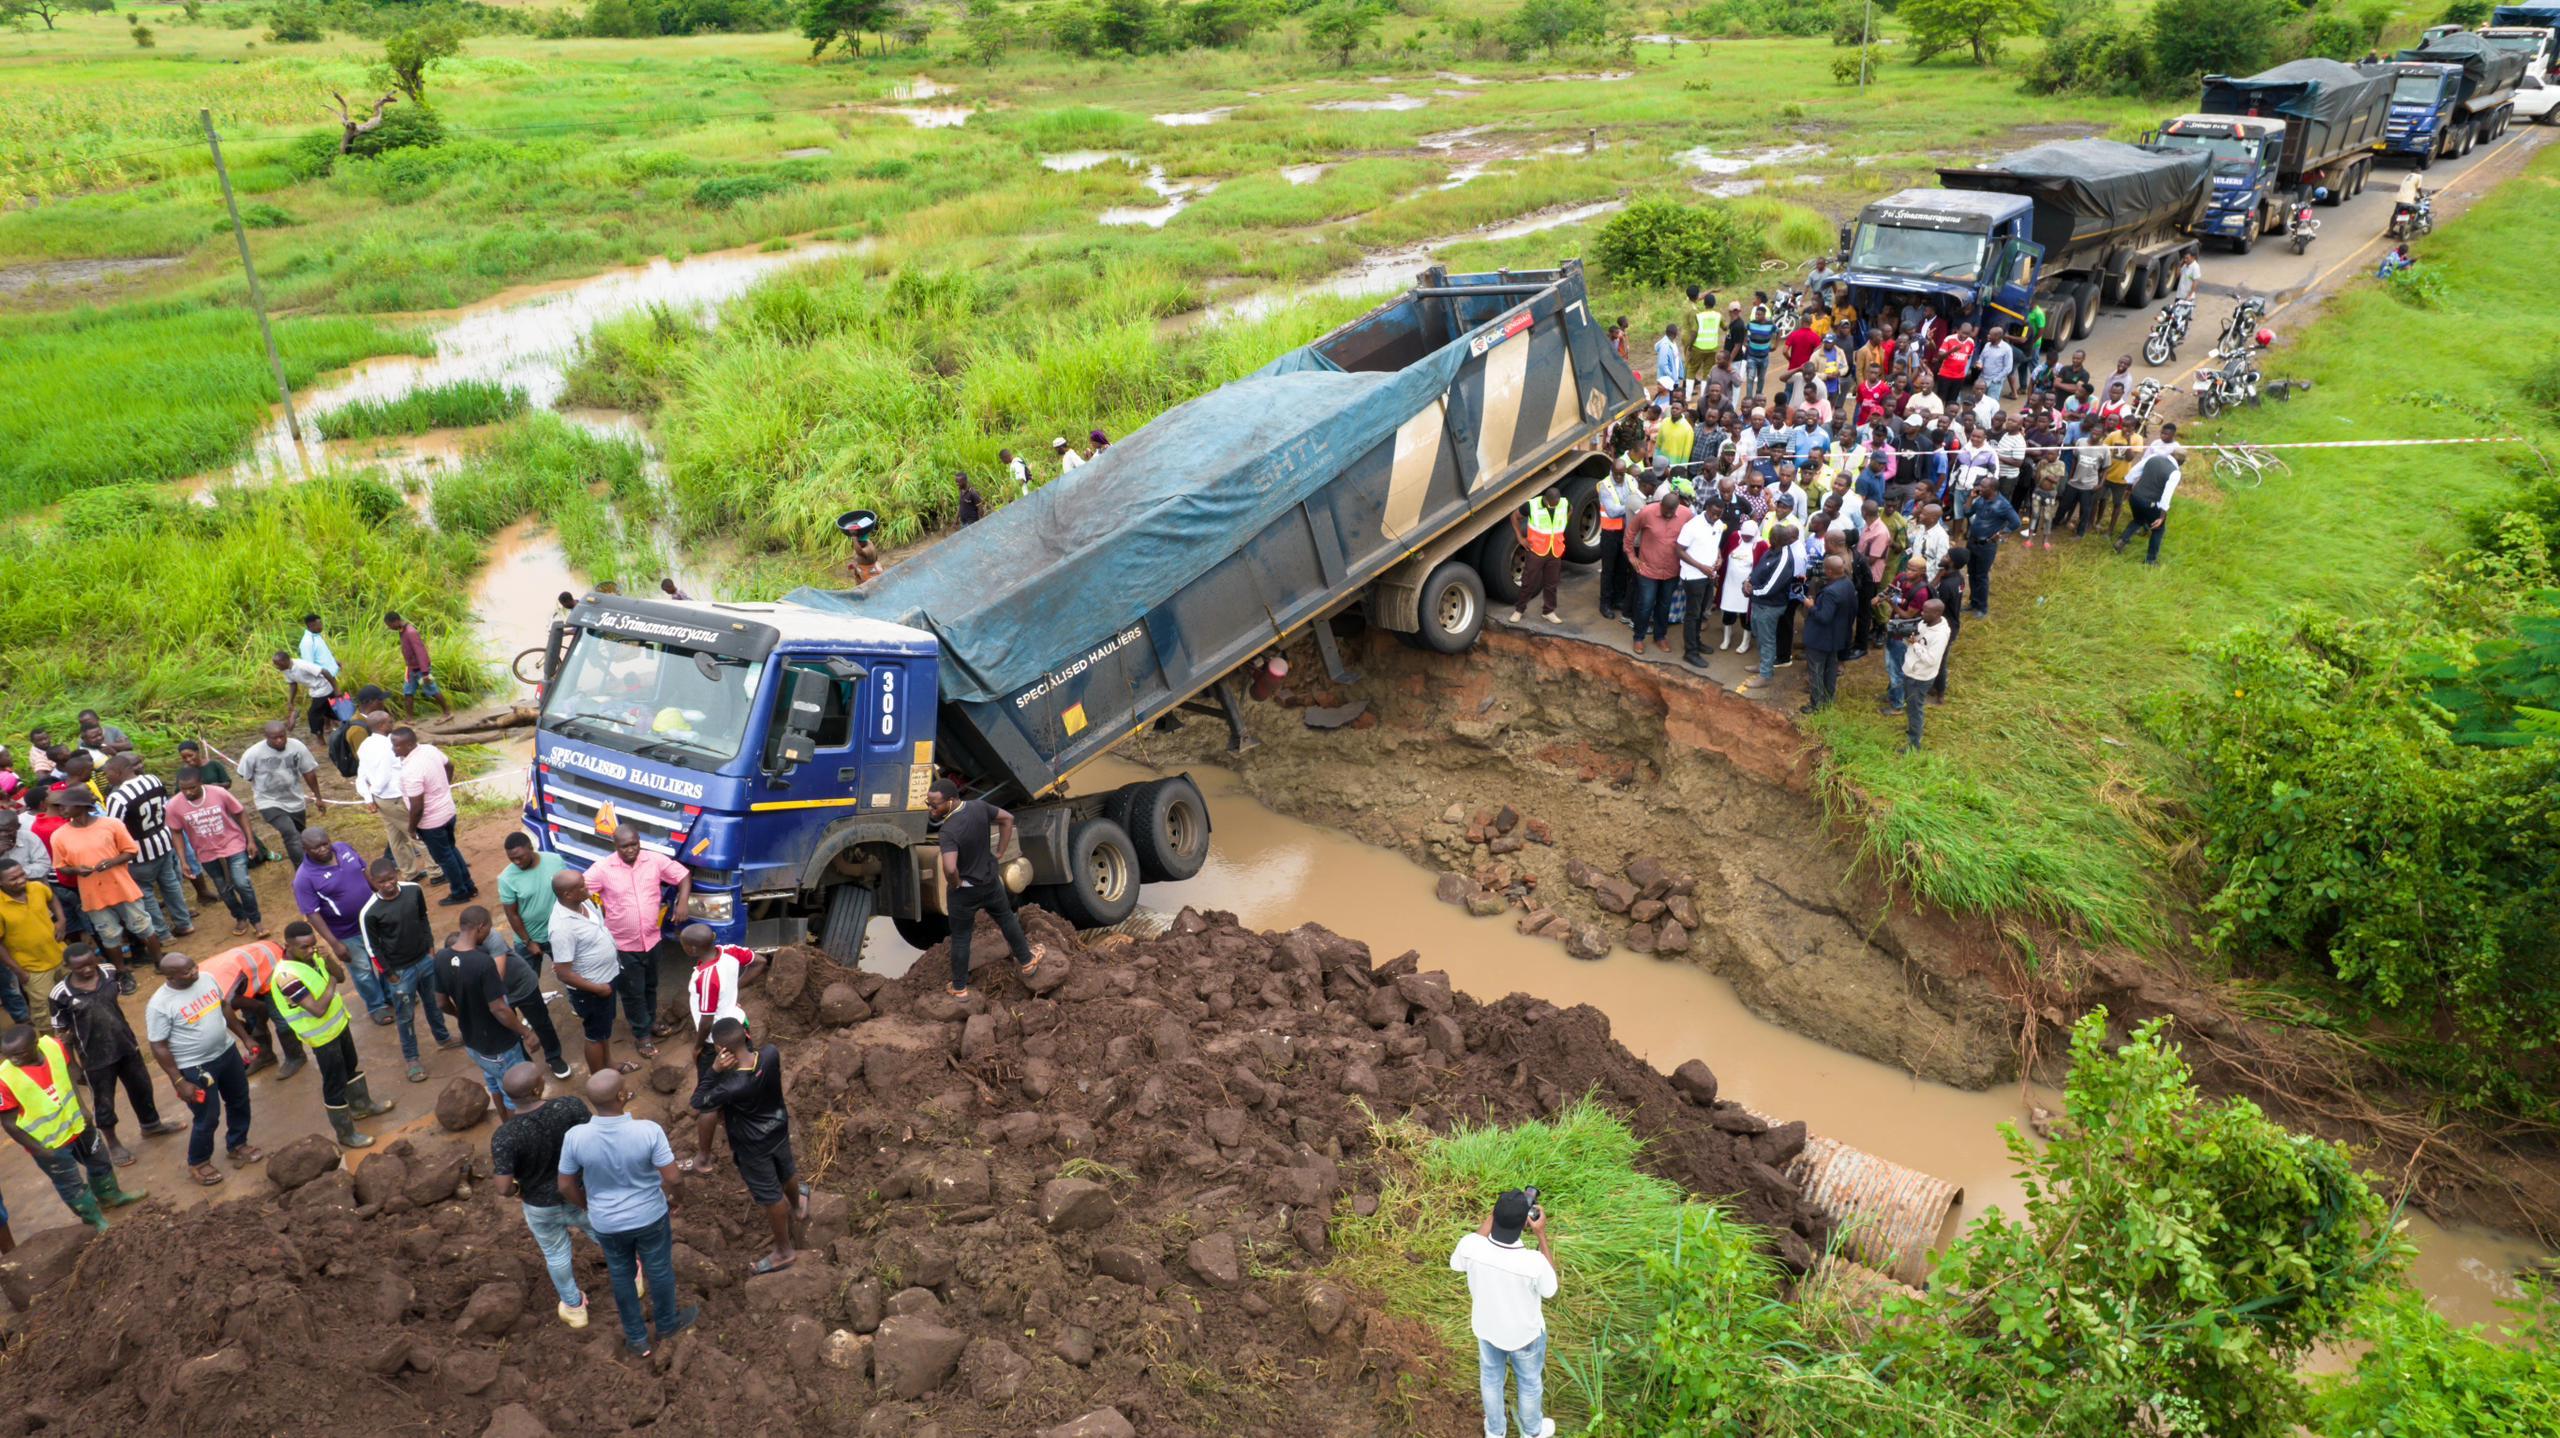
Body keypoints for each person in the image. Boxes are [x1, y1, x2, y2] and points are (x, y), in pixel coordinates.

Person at [558, 1070, 698, 1357]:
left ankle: (636, 1338)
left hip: (607, 1223)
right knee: (658, 1270)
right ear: (622, 1096)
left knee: (621, 1274)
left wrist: (588, 1205)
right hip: (650, 1216)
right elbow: (674, 1178)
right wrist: (676, 1200)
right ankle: (667, 1325)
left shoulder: (575, 1137)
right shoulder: (648, 1131)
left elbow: (564, 1184)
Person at [688, 1018, 806, 1275]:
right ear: (747, 1034)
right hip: (777, 1126)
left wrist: (715, 1070)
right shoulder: (771, 1054)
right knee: (787, 1170)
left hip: (752, 1145)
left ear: (721, 1049)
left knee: (770, 1196)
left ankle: (784, 1251)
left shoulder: (731, 1086)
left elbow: (698, 1102)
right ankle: (798, 1207)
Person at [492, 1063, 604, 1328]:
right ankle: (633, 1275)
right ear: (537, 1088)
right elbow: (595, 1140)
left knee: (555, 1255)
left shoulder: (505, 1136)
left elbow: (503, 1188)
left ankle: (575, 1309)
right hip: (581, 1194)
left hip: (540, 1207)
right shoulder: (569, 1107)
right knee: (604, 1235)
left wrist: (519, 1190)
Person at [1, 1025, 146, 1229]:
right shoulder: (5, 1079)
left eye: (19, 1054)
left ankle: (110, 1196)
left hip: (78, 1124)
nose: (12, 1060)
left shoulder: (54, 1047)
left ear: (35, 1044)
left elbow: (69, 1076)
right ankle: (94, 1219)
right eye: (8, 1056)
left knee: (100, 1161)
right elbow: (9, 1123)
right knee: (71, 1184)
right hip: (50, 1144)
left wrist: (83, 1109)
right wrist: (39, 1150)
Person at [48, 944, 175, 1163]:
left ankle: (151, 1124)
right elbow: (62, 1032)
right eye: (80, 968)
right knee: (103, 1101)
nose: (88, 970)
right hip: (94, 1057)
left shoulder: (108, 971)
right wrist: (72, 1064)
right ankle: (113, 1143)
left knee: (142, 1087)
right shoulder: (61, 993)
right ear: (67, 967)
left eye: (90, 963)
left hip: (125, 1044)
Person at [146, 950, 263, 1185]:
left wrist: (245, 1038)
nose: (195, 972)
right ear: (170, 976)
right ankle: (198, 1162)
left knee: (240, 1099)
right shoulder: (160, 1005)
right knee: (207, 1116)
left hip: (227, 1053)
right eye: (187, 971)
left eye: (194, 965)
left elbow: (224, 1008)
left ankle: (237, 1143)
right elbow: (158, 1046)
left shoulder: (207, 978)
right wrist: (179, 1081)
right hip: (195, 1066)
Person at [274, 922, 396, 1147]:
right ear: (287, 946)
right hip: (321, 1038)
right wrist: (330, 979)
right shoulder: (286, 975)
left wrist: (328, 959)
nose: (310, 950)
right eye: (304, 947)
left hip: (339, 1025)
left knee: (351, 1066)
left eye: (312, 945)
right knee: (334, 1083)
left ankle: (362, 1106)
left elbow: (340, 976)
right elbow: (318, 1009)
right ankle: (346, 1134)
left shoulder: (314, 957)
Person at [925, 780, 1048, 1000]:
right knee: (1007, 920)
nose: (930, 809)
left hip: (964, 892)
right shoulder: (979, 807)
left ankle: (959, 988)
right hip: (990, 882)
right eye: (928, 803)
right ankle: (1028, 962)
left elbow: (950, 867)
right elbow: (1007, 819)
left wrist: (954, 884)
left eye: (934, 805)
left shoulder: (949, 831)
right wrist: (1000, 852)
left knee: (962, 937)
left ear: (951, 801)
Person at [1451, 1189, 1558, 1438]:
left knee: (1490, 1379)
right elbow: (1551, 1289)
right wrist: (1541, 1235)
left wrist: (1498, 1214)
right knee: (1529, 1383)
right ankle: (1532, 1431)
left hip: (1487, 1329)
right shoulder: (1533, 1262)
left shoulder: (1470, 1246)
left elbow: (1460, 1260)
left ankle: (1495, 1432)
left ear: (1493, 1217)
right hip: (1525, 1336)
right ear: (1525, 1223)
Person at [588, 827, 691, 1046]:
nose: (630, 850)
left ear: (639, 841)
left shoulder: (654, 860)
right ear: (615, 846)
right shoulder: (603, 869)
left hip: (652, 939)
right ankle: (641, 1035)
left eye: (634, 844)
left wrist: (682, 901)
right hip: (623, 945)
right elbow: (578, 891)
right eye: (624, 846)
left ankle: (651, 1021)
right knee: (632, 992)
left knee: (650, 985)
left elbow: (683, 875)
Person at [359, 858, 459, 1082]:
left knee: (434, 1002)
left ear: (396, 873)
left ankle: (443, 1038)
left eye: (391, 878)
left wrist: (431, 948)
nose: (388, 885)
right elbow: (372, 948)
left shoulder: (414, 890)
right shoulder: (369, 912)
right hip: (400, 972)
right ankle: (412, 1059)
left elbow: (423, 918)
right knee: (405, 1016)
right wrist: (390, 975)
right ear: (373, 882)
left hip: (425, 960)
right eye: (382, 882)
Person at [436, 907, 541, 1109]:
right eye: (489, 928)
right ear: (481, 927)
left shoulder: (441, 957)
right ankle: (516, 1136)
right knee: (516, 1096)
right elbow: (499, 1009)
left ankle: (505, 1128)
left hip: (473, 1041)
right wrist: (526, 1032)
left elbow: (441, 1002)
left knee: (494, 1084)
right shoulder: (483, 963)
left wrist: (462, 1015)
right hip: (499, 1043)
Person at [291, 824, 396, 1025]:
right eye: (316, 847)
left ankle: (392, 995)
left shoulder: (344, 848)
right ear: (305, 849)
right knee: (363, 970)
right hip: (346, 931)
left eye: (325, 843)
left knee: (384, 958)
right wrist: (334, 943)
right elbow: (312, 914)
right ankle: (377, 1006)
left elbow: (365, 872)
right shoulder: (304, 879)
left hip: (374, 919)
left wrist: (384, 900)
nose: (323, 849)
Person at [48, 789, 161, 973]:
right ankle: (121, 971)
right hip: (93, 894)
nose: (60, 809)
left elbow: (131, 851)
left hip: (122, 886)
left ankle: (159, 961)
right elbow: (61, 866)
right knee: (108, 934)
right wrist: (76, 870)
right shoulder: (59, 835)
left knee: (143, 925)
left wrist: (112, 862)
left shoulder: (111, 824)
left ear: (81, 806)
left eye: (64, 805)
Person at [550, 866, 642, 1075]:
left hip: (607, 976)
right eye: (581, 886)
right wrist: (598, 989)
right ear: (567, 894)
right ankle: (600, 1080)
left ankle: (608, 1064)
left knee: (603, 1031)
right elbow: (563, 973)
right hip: (592, 988)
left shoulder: (584, 902)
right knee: (594, 1036)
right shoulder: (562, 927)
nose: (587, 887)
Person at [100, 754, 190, 941]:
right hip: (163, 841)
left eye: (107, 773)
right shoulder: (153, 779)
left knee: (145, 892)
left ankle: (163, 934)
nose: (106, 778)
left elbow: (114, 829)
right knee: (171, 884)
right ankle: (184, 923)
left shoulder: (117, 797)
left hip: (139, 852)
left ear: (118, 772)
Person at [165, 766, 263, 938]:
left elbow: (240, 813)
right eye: (183, 789)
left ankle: (256, 920)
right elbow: (176, 832)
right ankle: (240, 916)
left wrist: (251, 840)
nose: (188, 792)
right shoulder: (174, 805)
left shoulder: (219, 793)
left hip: (233, 843)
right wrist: (183, 860)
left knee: (242, 883)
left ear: (200, 782)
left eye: (192, 787)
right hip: (206, 852)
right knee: (223, 889)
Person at [198, 938, 305, 1080]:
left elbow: (261, 1008)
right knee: (250, 1018)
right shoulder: (199, 1001)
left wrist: (254, 1032)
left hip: (268, 963)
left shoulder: (222, 993)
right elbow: (228, 1019)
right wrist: (246, 1030)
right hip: (243, 972)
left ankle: (296, 1057)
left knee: (280, 1017)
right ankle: (265, 1056)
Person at [391, 727, 475, 903]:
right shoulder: (430, 750)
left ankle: (460, 892)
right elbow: (449, 765)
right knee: (451, 849)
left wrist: (412, 828)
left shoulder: (411, 769)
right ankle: (469, 886)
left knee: (444, 858)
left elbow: (417, 806)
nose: (393, 749)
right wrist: (443, 787)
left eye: (396, 745)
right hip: (447, 811)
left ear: (409, 744)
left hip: (431, 822)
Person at [355, 708, 429, 882]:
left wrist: (369, 797)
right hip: (393, 798)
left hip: (382, 800)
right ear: (382, 725)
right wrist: (374, 793)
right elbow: (384, 775)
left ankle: (409, 872)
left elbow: (361, 775)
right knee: (416, 833)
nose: (392, 722)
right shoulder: (387, 746)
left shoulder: (365, 745)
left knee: (396, 838)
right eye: (389, 721)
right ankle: (436, 870)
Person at [239, 722, 324, 868]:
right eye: (274, 738)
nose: (279, 740)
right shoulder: (253, 754)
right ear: (266, 737)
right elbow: (245, 775)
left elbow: (308, 771)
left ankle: (312, 864)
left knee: (300, 835)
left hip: (295, 799)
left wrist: (318, 797)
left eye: (282, 736)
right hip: (268, 801)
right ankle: (303, 871)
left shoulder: (297, 746)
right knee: (290, 833)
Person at [680, 922, 754, 1086]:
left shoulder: (706, 978)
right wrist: (732, 990)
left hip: (716, 1040)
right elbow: (760, 961)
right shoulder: (730, 951)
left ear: (692, 949)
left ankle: (714, 1108)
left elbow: (706, 1021)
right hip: (739, 1027)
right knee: (740, 1076)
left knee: (709, 1084)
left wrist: (698, 1047)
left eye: (683, 944)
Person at [0, 859, 67, 1034]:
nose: (21, 880)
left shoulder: (37, 887)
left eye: (22, 874)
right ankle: (52, 1047)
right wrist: (18, 971)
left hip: (60, 955)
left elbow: (52, 898)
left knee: (71, 998)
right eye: (13, 879)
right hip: (33, 969)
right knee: (45, 1014)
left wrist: (61, 920)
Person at [1622, 489, 1689, 657]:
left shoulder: (1686, 515)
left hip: (1672, 570)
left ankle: (1660, 636)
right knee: (1645, 604)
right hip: (1647, 569)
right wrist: (1631, 556)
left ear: (1676, 508)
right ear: (1661, 505)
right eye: (1665, 511)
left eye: (1671, 512)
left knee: (1664, 605)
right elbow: (1630, 534)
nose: (1667, 514)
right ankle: (1638, 637)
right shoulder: (1647, 512)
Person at [1739, 523, 1800, 695]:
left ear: (1777, 539)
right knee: (1758, 633)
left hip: (1770, 606)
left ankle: (1765, 675)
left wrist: (1751, 591)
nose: (1769, 538)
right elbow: (1758, 570)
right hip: (1759, 602)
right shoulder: (1771, 550)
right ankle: (1763, 664)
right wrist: (1747, 581)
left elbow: (1770, 587)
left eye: (1771, 536)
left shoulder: (1784, 559)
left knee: (1767, 639)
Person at [498, 834, 568, 965]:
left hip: (558, 932)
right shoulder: (506, 879)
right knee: (529, 982)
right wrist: (528, 942)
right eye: (512, 859)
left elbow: (566, 891)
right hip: (529, 939)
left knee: (572, 976)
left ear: (530, 848)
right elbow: (512, 914)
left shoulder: (555, 861)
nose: (516, 862)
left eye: (519, 857)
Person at [1801, 553, 1858, 713]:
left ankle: (1816, 705)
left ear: (1830, 572)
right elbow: (1854, 610)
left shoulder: (1831, 592)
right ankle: (1828, 700)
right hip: (1836, 637)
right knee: (1830, 671)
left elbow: (1824, 617)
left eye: (1825, 569)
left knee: (1816, 672)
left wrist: (1811, 606)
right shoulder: (1848, 584)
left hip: (1820, 638)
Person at [1674, 499, 1727, 669]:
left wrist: (1719, 557)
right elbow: (1679, 550)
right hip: (1693, 576)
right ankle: (1690, 652)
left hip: (1709, 575)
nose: (1715, 516)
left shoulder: (1718, 524)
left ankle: (1696, 642)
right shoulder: (1692, 526)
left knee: (1702, 611)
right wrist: (1700, 567)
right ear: (1706, 508)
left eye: (1719, 514)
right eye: (1712, 512)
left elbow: (1715, 544)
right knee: (1693, 614)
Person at [1507, 486, 1570, 626]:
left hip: (1555, 550)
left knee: (1552, 583)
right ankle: (1519, 610)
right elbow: (1514, 517)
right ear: (1546, 500)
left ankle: (1548, 611)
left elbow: (1569, 511)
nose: (1555, 506)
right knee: (1528, 582)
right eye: (1552, 504)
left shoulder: (1564, 503)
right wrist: (1520, 538)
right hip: (1537, 550)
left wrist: (1563, 525)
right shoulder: (1532, 505)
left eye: (1556, 504)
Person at [1900, 600, 1952, 752]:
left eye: (1926, 611)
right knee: (1911, 706)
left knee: (1915, 709)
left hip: (1920, 677)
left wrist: (1915, 645)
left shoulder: (1940, 635)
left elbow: (1931, 660)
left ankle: (1914, 744)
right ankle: (1913, 729)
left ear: (1937, 614)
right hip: (1911, 670)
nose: (1922, 613)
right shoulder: (1925, 623)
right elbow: (1914, 641)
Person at [1962, 477, 2018, 618]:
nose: (1979, 488)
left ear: (1992, 489)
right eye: (1980, 485)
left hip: (1986, 546)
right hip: (1972, 542)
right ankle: (1973, 602)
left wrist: (1999, 534)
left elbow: (2016, 522)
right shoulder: (1980, 499)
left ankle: (1982, 607)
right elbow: (1967, 513)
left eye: (1983, 487)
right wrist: (1970, 497)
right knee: (1972, 573)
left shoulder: (2003, 505)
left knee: (1981, 576)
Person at [2115, 449, 2183, 565]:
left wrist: (2128, 490)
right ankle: (2150, 561)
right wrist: (2162, 516)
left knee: (2138, 520)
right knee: (2158, 529)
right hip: (2150, 502)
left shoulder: (2153, 457)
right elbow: (2167, 495)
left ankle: (2122, 541)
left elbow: (2133, 472)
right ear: (2181, 462)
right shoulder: (2175, 472)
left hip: (2135, 496)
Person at [385, 612, 455, 720]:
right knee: (408, 692)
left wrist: (425, 673)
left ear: (396, 621)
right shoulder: (402, 631)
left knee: (432, 690)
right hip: (411, 668)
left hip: (420, 669)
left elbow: (420, 652)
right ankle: (409, 719)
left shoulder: (410, 632)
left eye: (389, 625)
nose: (389, 627)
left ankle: (447, 713)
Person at [1592, 462, 1636, 621]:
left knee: (1622, 568)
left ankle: (1618, 599)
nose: (1619, 477)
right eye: (1616, 473)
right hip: (1610, 533)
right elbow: (1612, 511)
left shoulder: (1631, 480)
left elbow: (1638, 498)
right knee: (1608, 570)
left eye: (1621, 474)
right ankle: (1605, 603)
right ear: (1611, 470)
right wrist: (1631, 506)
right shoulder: (1605, 486)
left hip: (1626, 532)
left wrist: (1630, 505)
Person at [272, 650, 340, 744]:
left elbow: (324, 671)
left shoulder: (302, 665)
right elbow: (293, 685)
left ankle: (321, 741)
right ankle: (344, 727)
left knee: (313, 715)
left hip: (324, 688)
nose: (276, 667)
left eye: (277, 664)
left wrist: (336, 689)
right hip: (315, 691)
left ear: (284, 661)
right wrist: (290, 701)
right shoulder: (285, 669)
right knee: (330, 712)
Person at [1652, 323, 1684, 393]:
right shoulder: (1665, 345)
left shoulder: (1672, 342)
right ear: (1675, 334)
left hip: (1673, 378)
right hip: (1668, 381)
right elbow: (1662, 364)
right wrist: (1671, 376)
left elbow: (1676, 358)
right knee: (1670, 400)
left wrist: (1679, 373)